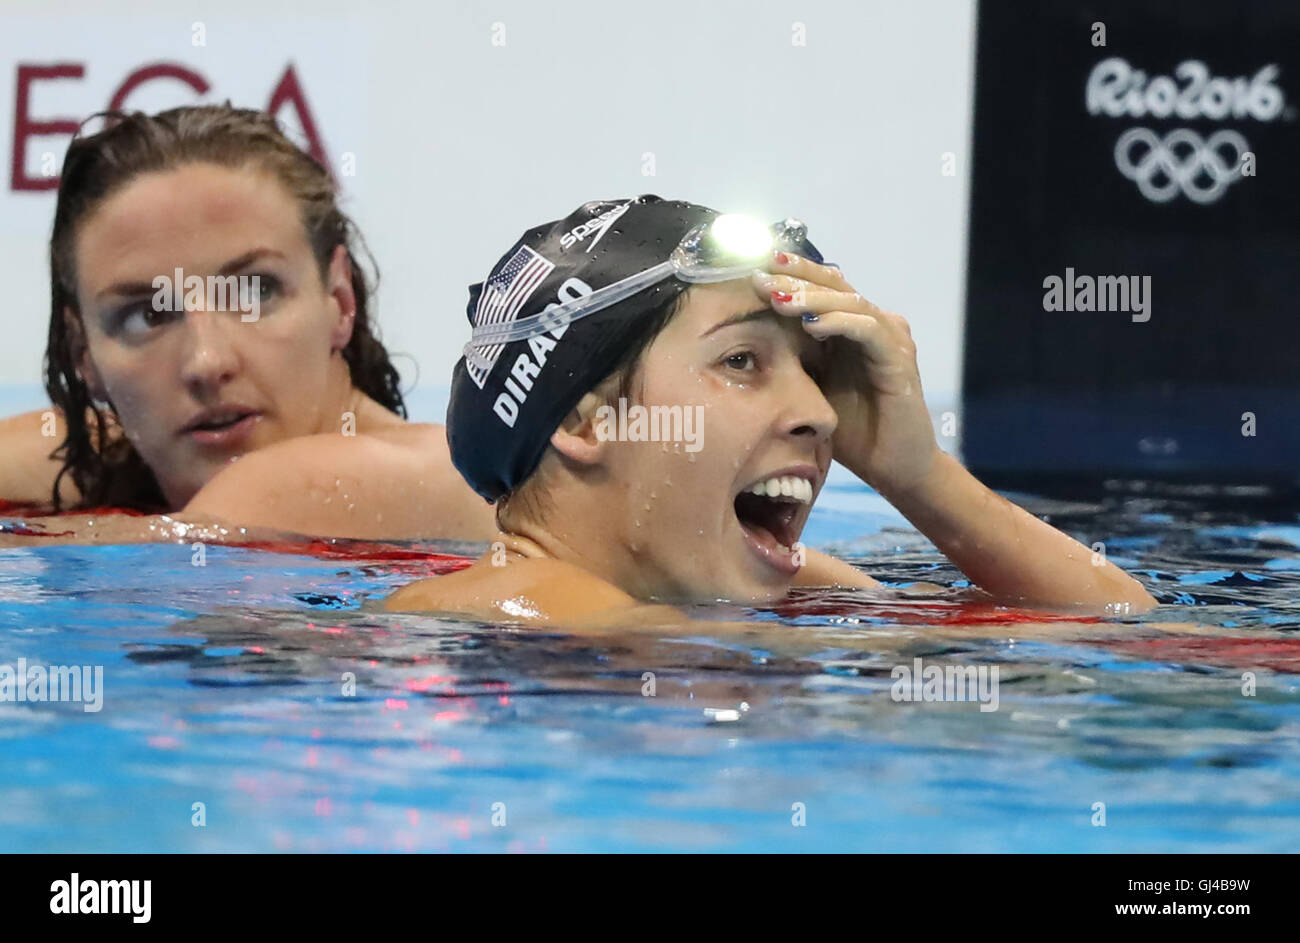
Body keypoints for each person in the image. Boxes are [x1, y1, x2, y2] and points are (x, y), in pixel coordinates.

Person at [386, 195, 1156, 623]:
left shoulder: (759, 586)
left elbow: (1126, 633)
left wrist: (918, 475)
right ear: (587, 423)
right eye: (742, 360)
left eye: (815, 370)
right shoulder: (506, 606)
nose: (821, 413)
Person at [0, 105, 494, 543]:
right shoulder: (110, 456)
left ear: (340, 302)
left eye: (255, 291)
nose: (207, 361)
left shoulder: (431, 473)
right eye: (148, 314)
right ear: (82, 353)